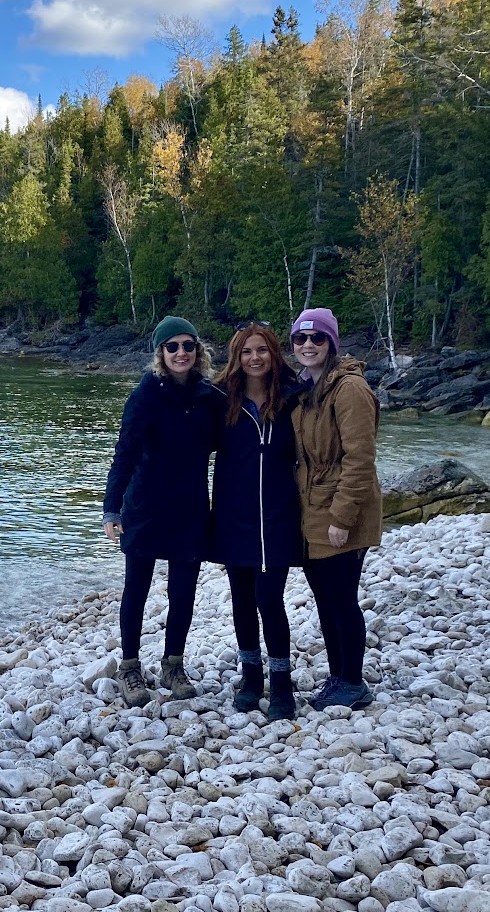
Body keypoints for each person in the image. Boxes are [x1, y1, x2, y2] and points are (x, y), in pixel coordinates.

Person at [102, 316, 224, 706]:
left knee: (184, 591)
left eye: (188, 345)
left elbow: (235, 441)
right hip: (145, 507)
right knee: (136, 589)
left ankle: (173, 666)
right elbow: (125, 454)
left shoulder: (209, 398)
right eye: (172, 346)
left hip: (189, 507)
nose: (181, 353)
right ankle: (130, 669)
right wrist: (111, 509)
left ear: (198, 351)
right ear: (160, 353)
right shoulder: (145, 396)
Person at [289, 307, 382, 710]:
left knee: (342, 597)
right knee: (325, 597)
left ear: (332, 343)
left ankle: (353, 680)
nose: (308, 346)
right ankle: (338, 675)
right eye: (300, 339)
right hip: (312, 508)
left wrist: (343, 518)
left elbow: (359, 459)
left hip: (340, 510)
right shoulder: (305, 387)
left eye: (317, 338)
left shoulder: (349, 390)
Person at [212, 323, 304, 719]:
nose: (254, 358)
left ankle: (281, 682)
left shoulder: (294, 396)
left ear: (273, 354)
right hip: (234, 514)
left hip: (280, 515)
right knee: (243, 601)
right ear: (237, 356)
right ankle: (251, 676)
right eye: (247, 351)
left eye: (261, 350)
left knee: (270, 599)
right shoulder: (219, 399)